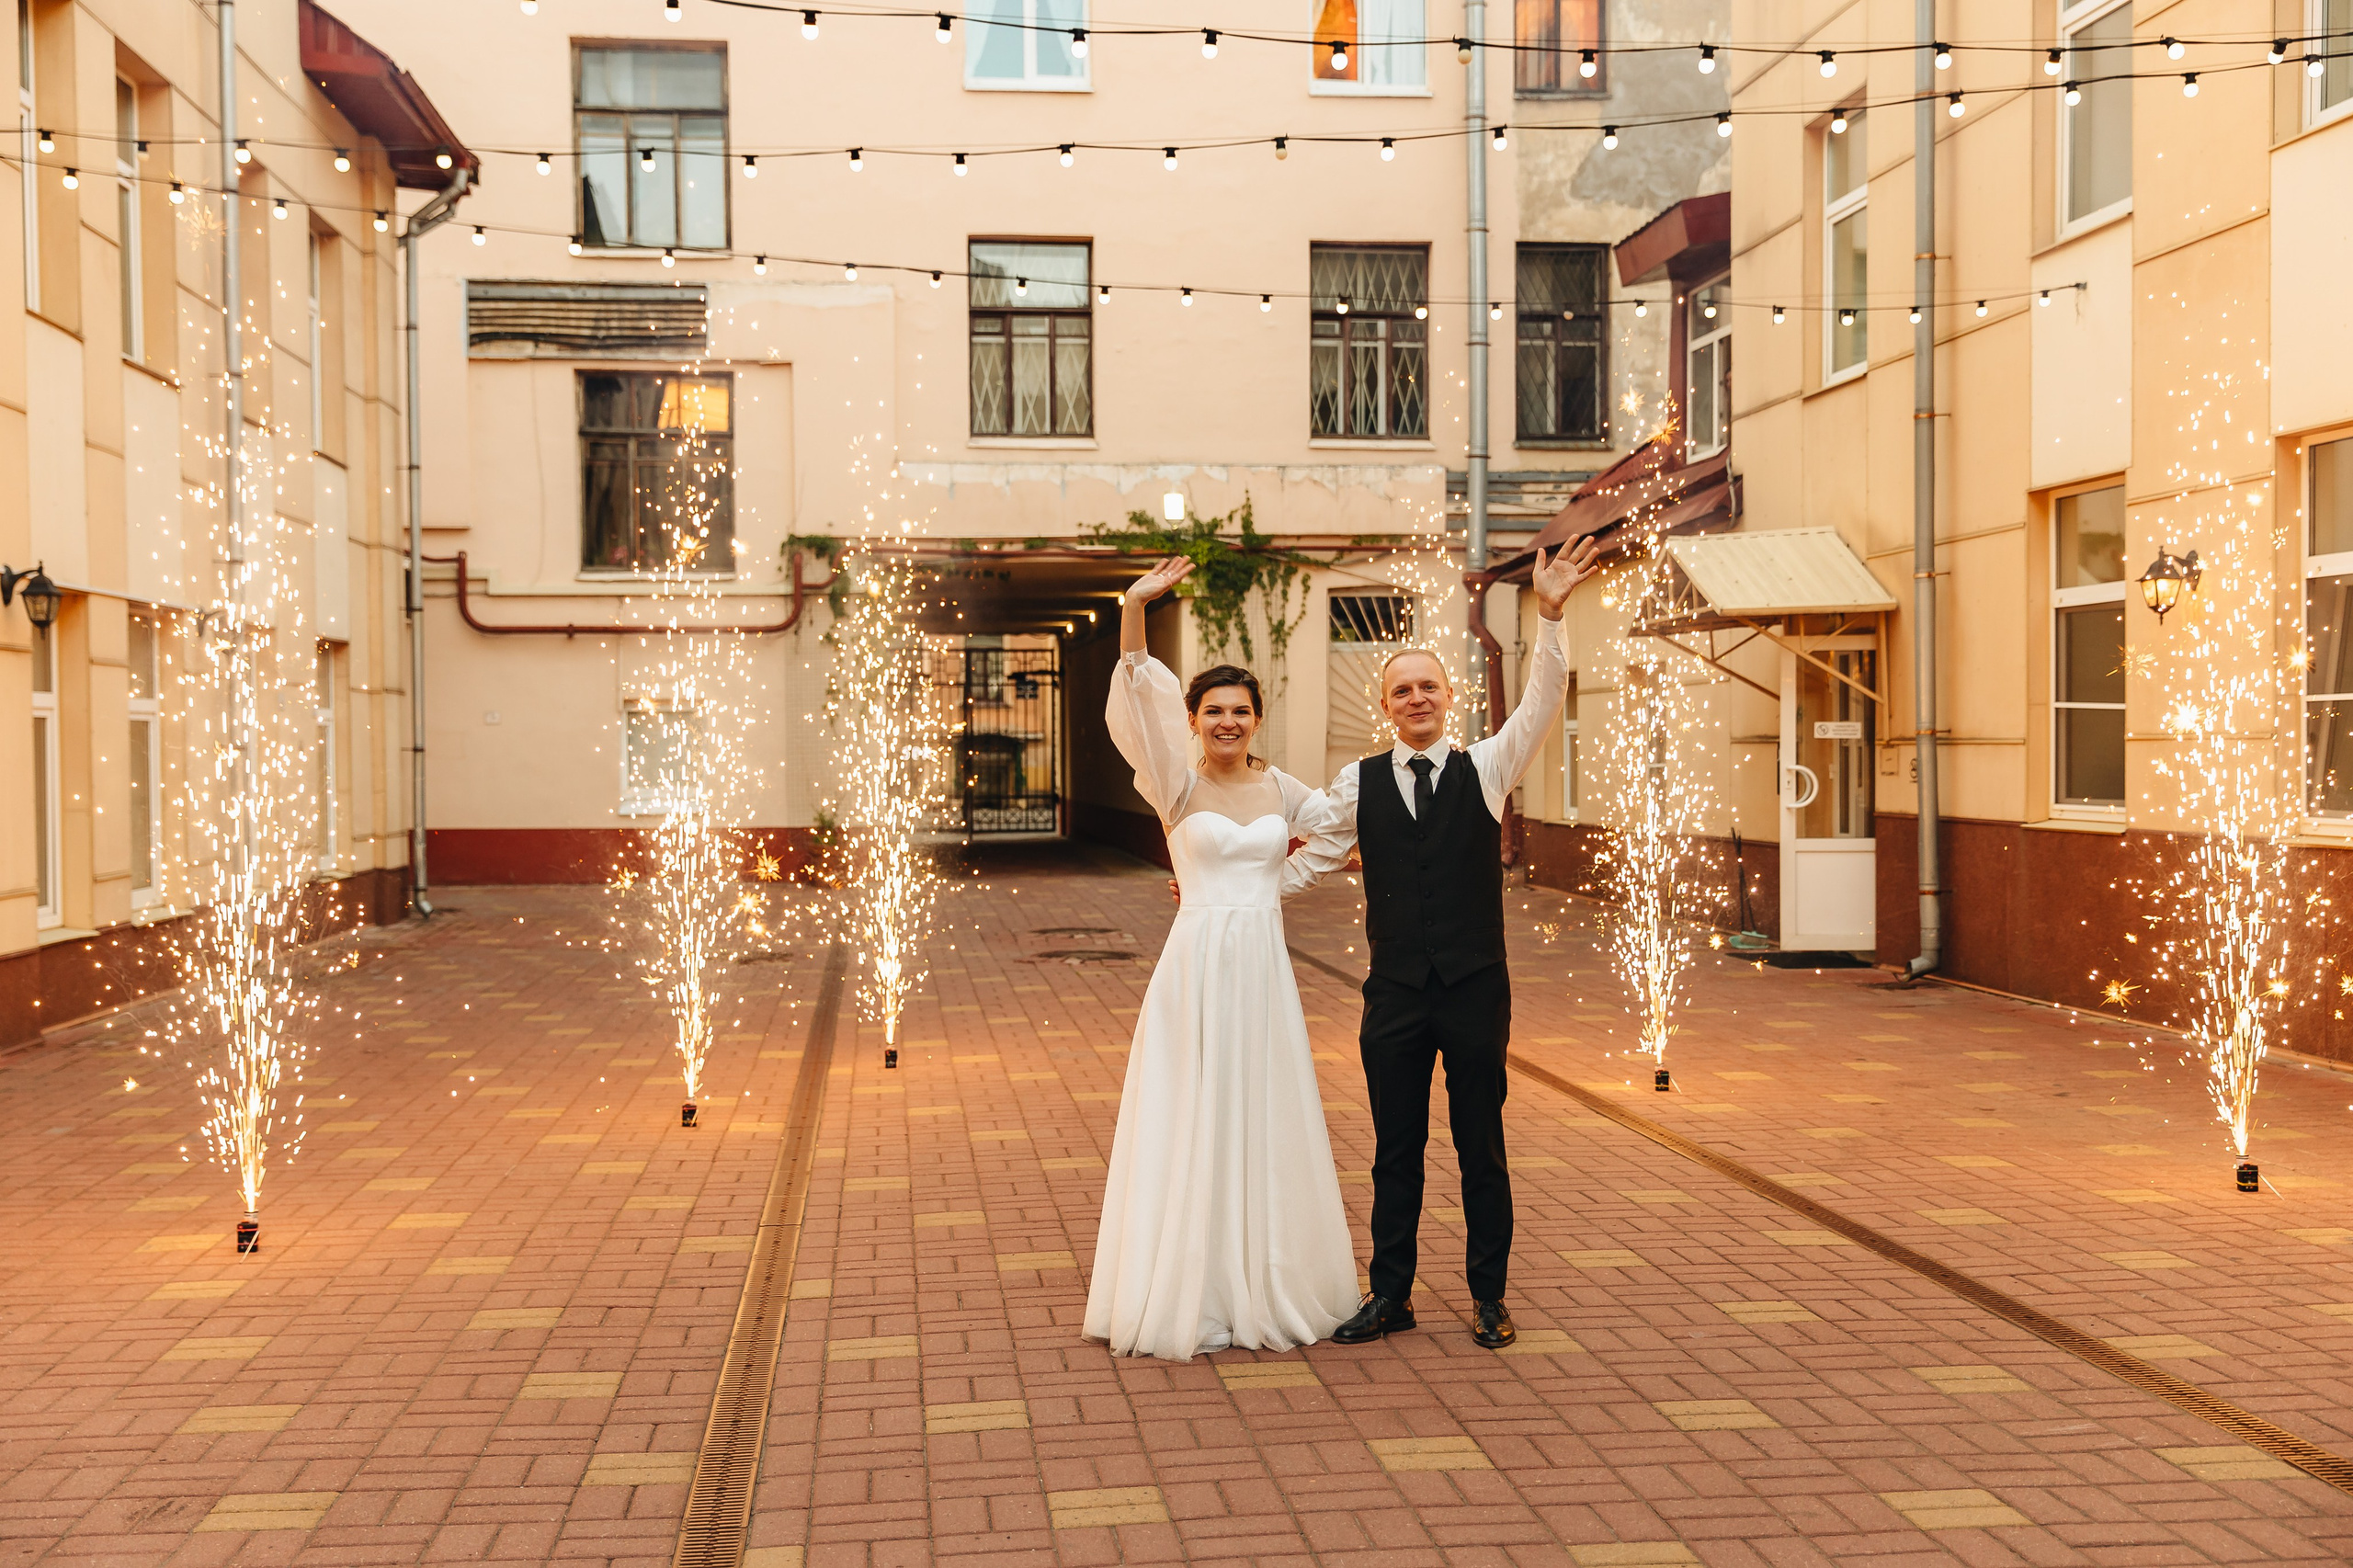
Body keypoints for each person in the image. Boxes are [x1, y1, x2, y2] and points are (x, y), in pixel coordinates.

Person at [1291, 536, 1601, 1349]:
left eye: (1429, 685)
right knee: (1395, 1151)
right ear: (1384, 705)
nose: (1418, 698)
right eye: (1403, 690)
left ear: (1449, 695)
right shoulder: (1358, 782)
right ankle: (1390, 1294)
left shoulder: (1488, 767)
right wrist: (1223, 886)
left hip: (1473, 991)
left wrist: (1552, 613)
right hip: (1393, 992)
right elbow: (1313, 853)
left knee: (1481, 1150)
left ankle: (1490, 1296)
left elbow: (1543, 698)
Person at [1083, 556, 1359, 1360]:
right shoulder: (1173, 782)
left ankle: (1264, 1278)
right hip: (1197, 962)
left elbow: (1340, 828)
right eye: (1213, 711)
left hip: (1263, 966)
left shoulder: (1282, 790)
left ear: (1256, 718)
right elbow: (1137, 691)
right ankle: (1191, 1283)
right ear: (1195, 721)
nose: (1227, 723)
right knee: (1193, 1108)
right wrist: (1133, 605)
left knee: (1262, 1108)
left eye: (1240, 711)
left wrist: (1284, 876)